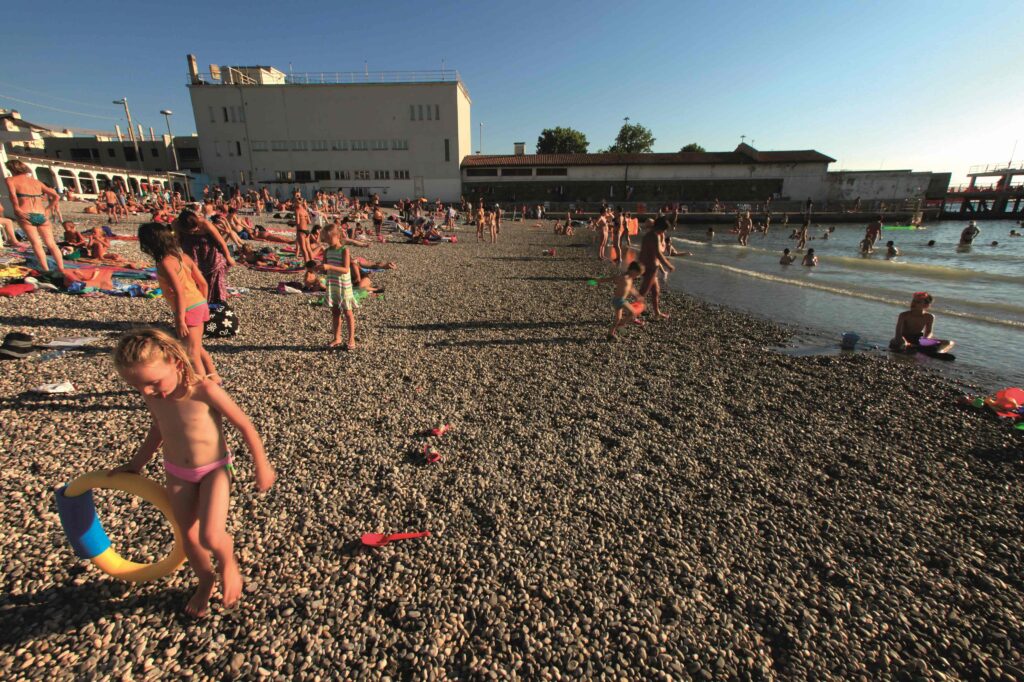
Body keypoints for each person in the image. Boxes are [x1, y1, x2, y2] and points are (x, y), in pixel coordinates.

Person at [110, 328, 275, 617]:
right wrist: (136, 464)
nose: (146, 392)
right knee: (188, 536)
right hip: (176, 472)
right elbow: (158, 429)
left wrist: (262, 464)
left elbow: (246, 426)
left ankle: (228, 566)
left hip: (214, 469)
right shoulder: (153, 394)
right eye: (138, 387)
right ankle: (206, 579)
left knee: (211, 535)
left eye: (152, 383)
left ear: (175, 360)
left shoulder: (205, 391)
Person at [139, 222, 221, 384]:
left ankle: (203, 387)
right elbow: (203, 284)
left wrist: (179, 319)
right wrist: (202, 303)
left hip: (188, 308)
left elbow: (179, 292)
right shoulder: (183, 257)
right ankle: (215, 377)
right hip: (199, 302)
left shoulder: (165, 263)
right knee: (197, 346)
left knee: (191, 352)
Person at [4, 159, 65, 275]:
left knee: (36, 243)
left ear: (12, 169)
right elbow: (56, 196)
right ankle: (61, 268)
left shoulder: (10, 180)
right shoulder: (36, 182)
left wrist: (16, 208)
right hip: (41, 214)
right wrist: (47, 209)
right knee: (51, 244)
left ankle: (46, 270)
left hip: (26, 214)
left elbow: (13, 195)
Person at [174, 209, 236, 305]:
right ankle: (200, 299)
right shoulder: (176, 224)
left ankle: (217, 299)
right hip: (191, 251)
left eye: (196, 229)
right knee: (196, 276)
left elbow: (221, 241)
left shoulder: (205, 224)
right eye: (191, 231)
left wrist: (228, 257)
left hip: (210, 251)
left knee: (215, 273)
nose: (195, 231)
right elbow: (178, 240)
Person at [321, 223, 357, 349]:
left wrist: (329, 267)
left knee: (347, 312)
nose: (327, 241)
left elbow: (346, 269)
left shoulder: (344, 250)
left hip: (344, 285)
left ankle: (351, 338)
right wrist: (318, 268)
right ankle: (337, 337)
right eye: (325, 239)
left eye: (329, 238)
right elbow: (325, 267)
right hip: (333, 284)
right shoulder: (327, 251)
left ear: (337, 236)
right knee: (335, 311)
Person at [596, 261, 646, 341]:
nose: (638, 276)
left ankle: (610, 334)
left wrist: (637, 295)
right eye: (638, 274)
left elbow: (631, 288)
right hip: (619, 300)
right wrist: (600, 280)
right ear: (632, 271)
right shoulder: (624, 277)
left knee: (618, 319)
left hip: (620, 300)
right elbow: (612, 278)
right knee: (632, 312)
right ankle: (621, 325)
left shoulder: (630, 279)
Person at [889, 291, 954, 353]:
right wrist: (905, 342)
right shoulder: (904, 315)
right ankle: (912, 348)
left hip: (918, 339)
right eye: (913, 301)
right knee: (898, 342)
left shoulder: (929, 317)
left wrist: (926, 339)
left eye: (918, 302)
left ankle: (938, 352)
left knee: (949, 343)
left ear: (926, 305)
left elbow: (929, 332)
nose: (913, 303)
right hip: (903, 338)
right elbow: (898, 333)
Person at [637, 217, 675, 319]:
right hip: (649, 268)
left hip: (651, 267)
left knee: (656, 291)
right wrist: (669, 265)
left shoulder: (652, 235)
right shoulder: (653, 236)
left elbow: (644, 252)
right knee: (642, 292)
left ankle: (657, 312)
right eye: (665, 229)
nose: (665, 231)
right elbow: (658, 253)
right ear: (660, 228)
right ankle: (632, 314)